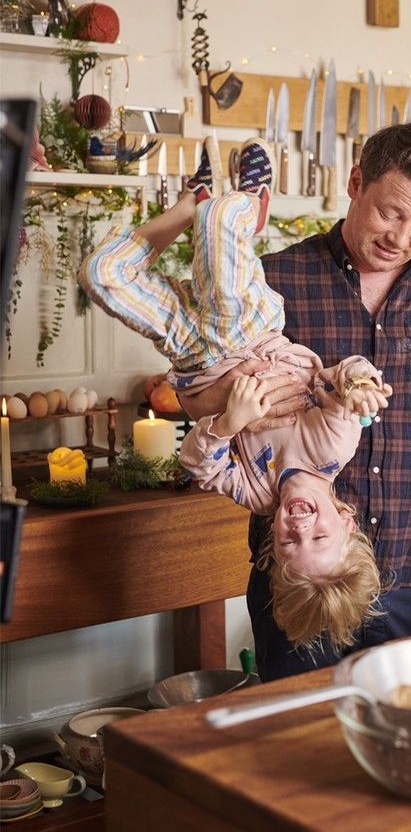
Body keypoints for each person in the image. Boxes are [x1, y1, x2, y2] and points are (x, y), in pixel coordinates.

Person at [179, 121, 411, 681]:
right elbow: (193, 393)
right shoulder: (272, 282)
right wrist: (244, 399)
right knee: (296, 745)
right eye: (390, 212)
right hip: (297, 583)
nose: (401, 236)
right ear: (357, 182)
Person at [78, 137, 392, 651]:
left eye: (290, 543)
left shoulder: (257, 494)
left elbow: (199, 465)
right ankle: (252, 199)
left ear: (274, 544)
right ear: (346, 520)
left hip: (193, 354)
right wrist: (359, 385)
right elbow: (342, 376)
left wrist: (229, 421)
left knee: (102, 275)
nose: (299, 527)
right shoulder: (332, 447)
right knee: (225, 219)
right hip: (247, 331)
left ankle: (189, 203)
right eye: (319, 537)